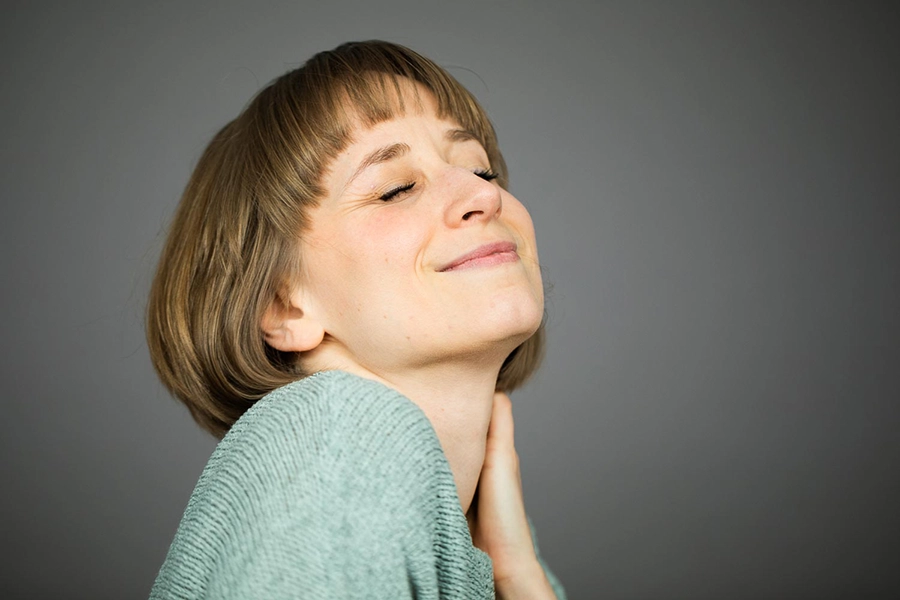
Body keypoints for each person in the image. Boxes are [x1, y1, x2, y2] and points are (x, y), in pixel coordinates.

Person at [146, 40, 565, 599]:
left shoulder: (477, 542)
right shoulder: (335, 439)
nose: (482, 196)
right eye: (396, 189)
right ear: (283, 305)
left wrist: (522, 581)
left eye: (481, 170)